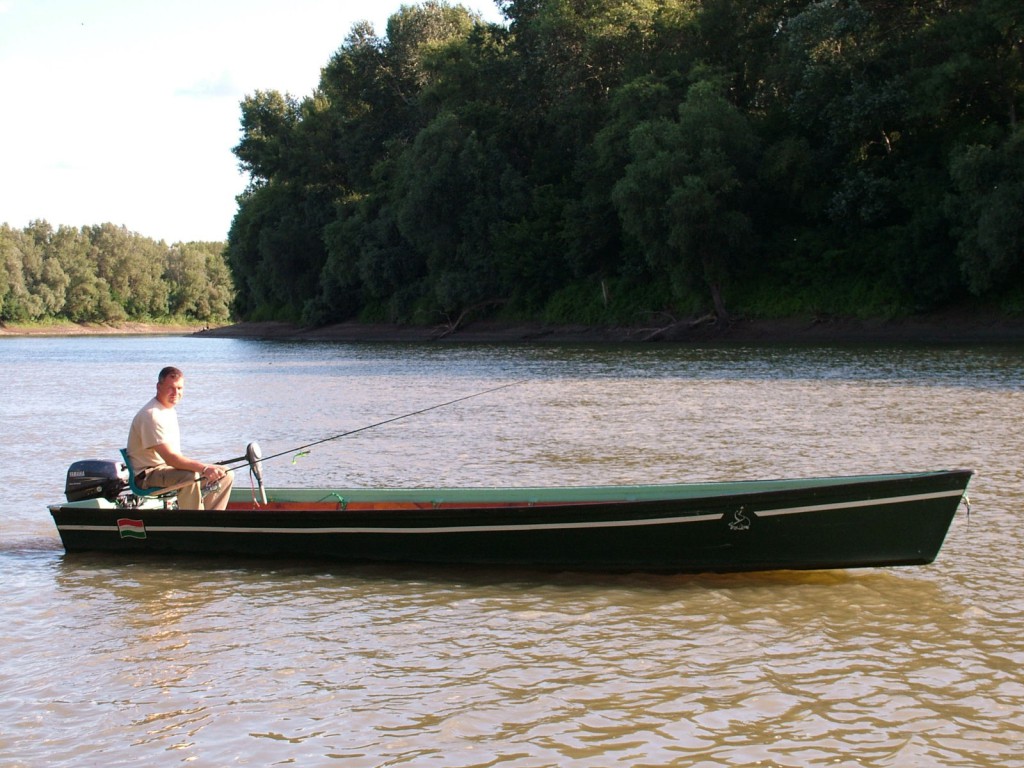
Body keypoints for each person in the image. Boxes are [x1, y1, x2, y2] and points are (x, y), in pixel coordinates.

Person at [126, 366, 233, 510]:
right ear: (159, 386)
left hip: (166, 470)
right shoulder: (151, 415)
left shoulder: (168, 410)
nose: (176, 393)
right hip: (148, 476)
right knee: (189, 477)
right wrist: (205, 468)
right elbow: (171, 458)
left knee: (225, 474)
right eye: (171, 388)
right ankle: (193, 523)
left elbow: (174, 459)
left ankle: (211, 520)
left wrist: (209, 469)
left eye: (180, 388)